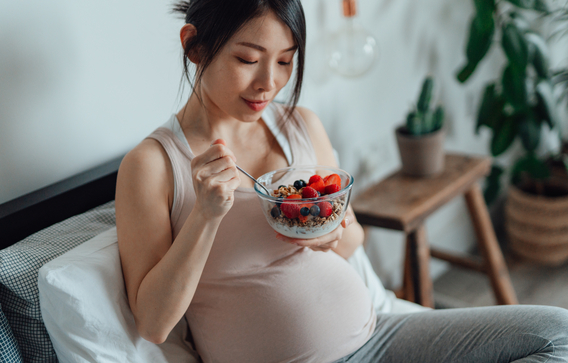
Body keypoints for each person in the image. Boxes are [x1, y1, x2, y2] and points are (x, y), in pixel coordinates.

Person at [115, 0, 568, 362]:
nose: (267, 84)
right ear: (194, 46)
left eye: (286, 62)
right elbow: (153, 324)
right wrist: (205, 216)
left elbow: (351, 239)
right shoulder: (153, 165)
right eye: (247, 59)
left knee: (558, 334)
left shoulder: (301, 127)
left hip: (380, 335)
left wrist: (329, 232)